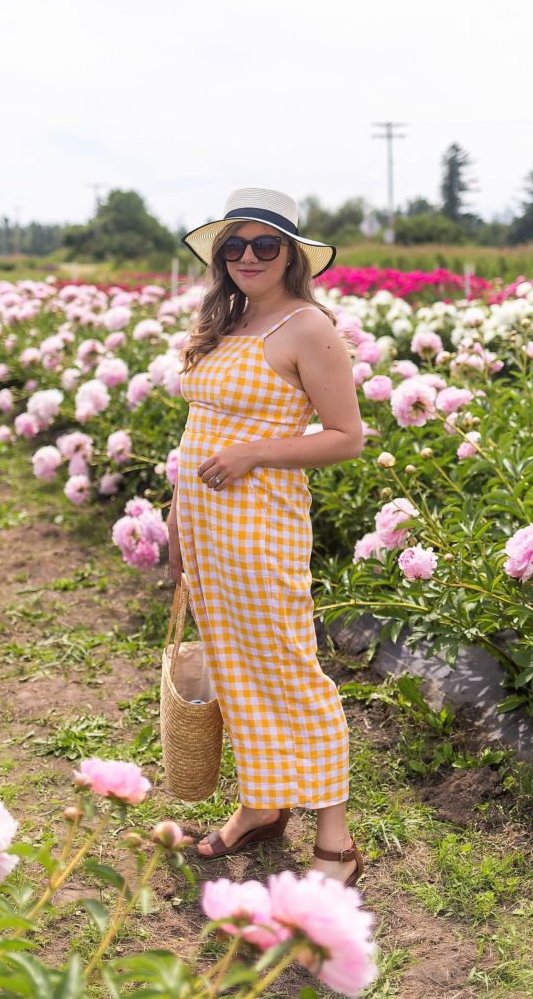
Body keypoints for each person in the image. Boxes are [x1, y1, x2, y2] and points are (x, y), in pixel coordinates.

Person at [168, 187, 364, 887]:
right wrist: (176, 515)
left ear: (290, 256)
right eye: (233, 246)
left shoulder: (307, 327)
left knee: (286, 670)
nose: (247, 257)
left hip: (259, 528)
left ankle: (336, 841)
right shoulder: (225, 320)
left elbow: (346, 438)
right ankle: (261, 803)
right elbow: (199, 432)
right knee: (234, 667)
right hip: (207, 525)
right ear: (220, 257)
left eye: (263, 245)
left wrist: (255, 454)